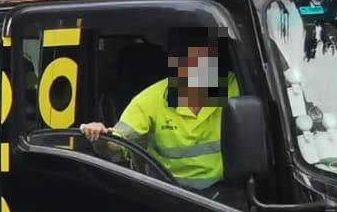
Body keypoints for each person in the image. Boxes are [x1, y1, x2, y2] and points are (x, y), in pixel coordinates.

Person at [81, 32, 238, 189]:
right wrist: (99, 136)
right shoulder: (150, 100)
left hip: (226, 197)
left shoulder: (233, 86)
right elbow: (116, 147)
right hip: (169, 194)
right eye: (191, 62)